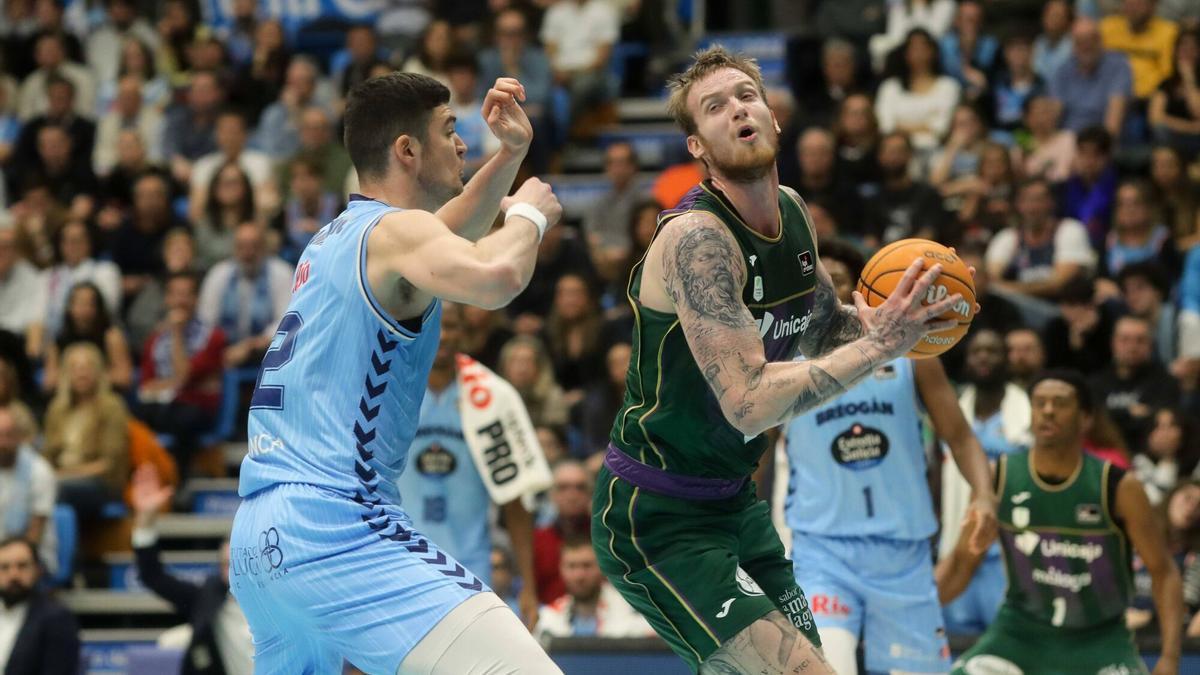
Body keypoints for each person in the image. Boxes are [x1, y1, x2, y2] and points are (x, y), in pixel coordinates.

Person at [592, 46, 970, 674]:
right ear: (698, 148)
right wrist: (879, 347)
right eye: (714, 108)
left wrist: (910, 321)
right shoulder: (698, 242)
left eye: (746, 95)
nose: (737, 110)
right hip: (657, 516)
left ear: (773, 117)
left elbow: (823, 331)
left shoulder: (792, 211)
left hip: (734, 502)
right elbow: (748, 401)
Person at [230, 72, 564, 674]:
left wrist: (509, 155)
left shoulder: (333, 239)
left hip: (261, 540)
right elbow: (495, 280)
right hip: (339, 524)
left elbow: (449, 228)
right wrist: (529, 217)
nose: (463, 143)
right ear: (407, 150)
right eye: (449, 131)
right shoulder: (397, 233)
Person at [780, 241, 995, 675]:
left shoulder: (912, 354)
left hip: (903, 552)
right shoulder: (783, 360)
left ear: (863, 293)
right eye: (821, 285)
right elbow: (756, 453)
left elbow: (960, 436)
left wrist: (986, 496)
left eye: (840, 283)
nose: (831, 292)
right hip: (823, 549)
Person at [938, 371, 1183, 675]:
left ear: (1086, 418)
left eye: (1060, 403)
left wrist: (1170, 658)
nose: (1048, 410)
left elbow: (1164, 572)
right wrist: (910, 605)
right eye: (1039, 403)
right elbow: (961, 564)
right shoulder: (997, 477)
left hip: (1100, 640)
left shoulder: (1118, 486)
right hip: (1017, 636)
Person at [394, 302, 540, 628]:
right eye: (435, 326)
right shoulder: (390, 390)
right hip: (400, 566)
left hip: (469, 569)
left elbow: (516, 499)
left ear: (466, 332)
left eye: (452, 326)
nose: (443, 336)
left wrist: (529, 586)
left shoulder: (491, 396)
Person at [940, 330, 1031, 635]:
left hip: (1006, 552)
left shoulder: (1029, 413)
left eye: (992, 350)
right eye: (977, 351)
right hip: (959, 542)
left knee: (1008, 647)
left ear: (1007, 359)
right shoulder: (951, 411)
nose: (983, 357)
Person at [128, 464, 249, 674]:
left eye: (238, 564)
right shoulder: (209, 598)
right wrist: (145, 524)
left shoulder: (283, 600)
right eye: (225, 564)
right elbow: (153, 576)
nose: (231, 572)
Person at [41, 342, 130, 518]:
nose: (81, 373)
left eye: (87, 367)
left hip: (101, 484)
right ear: (66, 374)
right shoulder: (57, 409)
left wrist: (63, 475)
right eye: (75, 368)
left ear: (98, 372)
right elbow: (47, 455)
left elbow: (109, 464)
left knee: (57, 489)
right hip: (60, 477)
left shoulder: (112, 407)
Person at [196, 222, 293, 368]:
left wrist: (252, 345)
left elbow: (286, 321)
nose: (248, 253)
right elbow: (206, 321)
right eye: (242, 246)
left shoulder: (281, 273)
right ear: (234, 249)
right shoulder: (218, 274)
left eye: (254, 246)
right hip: (225, 353)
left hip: (269, 351)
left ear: (264, 248)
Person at [985, 178, 1096, 301]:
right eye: (1026, 200)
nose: (1032, 207)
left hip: (1060, 309)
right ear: (1018, 204)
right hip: (1017, 310)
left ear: (1051, 203)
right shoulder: (1008, 237)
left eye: (1038, 200)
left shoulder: (1069, 230)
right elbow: (991, 278)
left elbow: (1059, 284)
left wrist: (1009, 290)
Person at [535, 536, 655, 640]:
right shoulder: (548, 617)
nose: (579, 576)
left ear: (602, 568)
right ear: (561, 569)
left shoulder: (630, 609)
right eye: (572, 566)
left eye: (587, 566)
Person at [1089, 315, 1181, 451]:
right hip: (1104, 455)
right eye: (1125, 340)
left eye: (1140, 340)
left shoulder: (1166, 382)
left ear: (1150, 345)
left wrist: (1112, 416)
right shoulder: (1095, 383)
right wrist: (1129, 412)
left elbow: (1159, 423)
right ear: (1113, 343)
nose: (1132, 347)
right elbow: (1092, 423)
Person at [0, 537, 80, 675]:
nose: (14, 574)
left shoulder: (56, 618)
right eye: (4, 567)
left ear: (38, 570)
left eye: (22, 566)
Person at [1048, 19, 1132, 138]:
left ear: (1100, 41)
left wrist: (1097, 149)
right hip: (1067, 140)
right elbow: (1053, 115)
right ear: (1072, 45)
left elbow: (1113, 123)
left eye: (1091, 39)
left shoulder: (1118, 67)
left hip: (1100, 142)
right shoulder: (1063, 71)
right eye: (1080, 41)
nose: (1086, 46)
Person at [0, 407, 55, 573]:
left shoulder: (39, 470)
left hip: (32, 558)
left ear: (19, 437)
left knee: (17, 567)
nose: (2, 443)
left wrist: (8, 563)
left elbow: (35, 533)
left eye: (8, 435)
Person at [535, 459, 594, 604]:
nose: (572, 495)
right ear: (552, 494)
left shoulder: (609, 539)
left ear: (591, 493)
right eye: (563, 487)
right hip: (549, 621)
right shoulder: (536, 541)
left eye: (580, 487)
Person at [1099, 0, 1179, 102]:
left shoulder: (1169, 33)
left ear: (1153, 6)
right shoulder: (1106, 27)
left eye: (1138, 4)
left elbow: (1168, 75)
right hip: (1107, 98)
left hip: (1146, 102)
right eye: (1128, 3)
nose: (1132, 8)